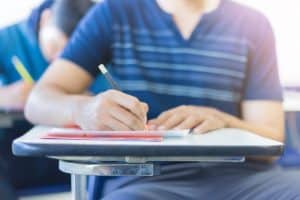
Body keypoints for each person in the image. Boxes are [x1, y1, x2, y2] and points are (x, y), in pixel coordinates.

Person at [25, 0, 300, 199]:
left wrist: (224, 120)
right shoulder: (113, 13)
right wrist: (83, 109)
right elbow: (38, 101)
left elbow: (272, 137)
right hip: (142, 181)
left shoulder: (253, 25)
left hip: (246, 180)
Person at [0, 0, 95, 199]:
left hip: (68, 149)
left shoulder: (97, 47)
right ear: (46, 19)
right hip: (11, 151)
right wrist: (5, 95)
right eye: (56, 46)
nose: (59, 59)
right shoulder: (6, 39)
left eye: (72, 53)